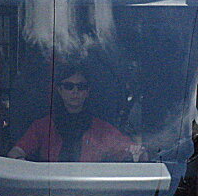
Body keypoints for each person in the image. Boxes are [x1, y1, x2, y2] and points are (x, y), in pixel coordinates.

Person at [8, 68, 142, 163]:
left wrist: (137, 153)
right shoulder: (42, 126)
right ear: (60, 90)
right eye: (68, 86)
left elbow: (132, 150)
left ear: (87, 91)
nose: (75, 91)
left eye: (81, 86)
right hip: (47, 195)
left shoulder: (103, 130)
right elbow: (15, 153)